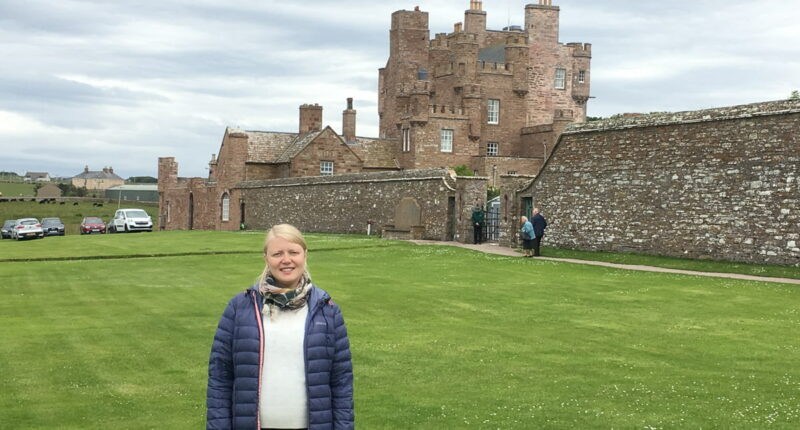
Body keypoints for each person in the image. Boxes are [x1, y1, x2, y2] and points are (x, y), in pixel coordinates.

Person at [207, 224, 354, 430]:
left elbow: (341, 382)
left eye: (293, 252)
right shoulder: (239, 308)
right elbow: (220, 378)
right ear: (266, 258)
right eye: (277, 253)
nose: (286, 260)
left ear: (305, 255)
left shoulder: (328, 311)